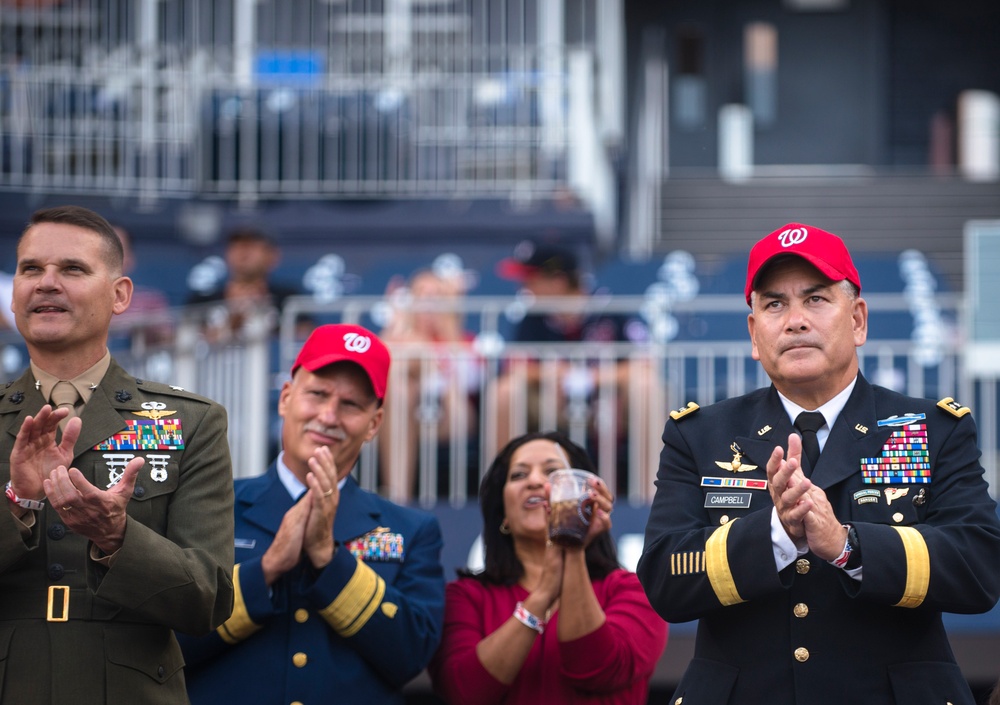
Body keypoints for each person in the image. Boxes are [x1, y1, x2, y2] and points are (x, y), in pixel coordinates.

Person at [637, 222, 1000, 704]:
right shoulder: (698, 435)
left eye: (816, 299)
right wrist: (774, 536)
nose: (795, 321)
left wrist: (848, 546)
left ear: (858, 320)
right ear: (753, 333)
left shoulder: (933, 429)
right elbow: (665, 578)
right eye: (773, 304)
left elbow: (978, 569)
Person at [0, 205, 235, 704]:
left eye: (72, 269)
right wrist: (18, 502)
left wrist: (117, 536)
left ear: (120, 295)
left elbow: (208, 600)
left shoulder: (191, 422)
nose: (46, 283)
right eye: (30, 269)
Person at [178, 323, 446, 705]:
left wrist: (329, 559)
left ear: (374, 424)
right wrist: (266, 568)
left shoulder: (412, 530)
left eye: (351, 404)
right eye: (317, 394)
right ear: (286, 398)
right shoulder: (209, 503)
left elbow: (411, 657)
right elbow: (165, 641)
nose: (329, 415)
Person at [429, 430, 667, 705]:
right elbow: (464, 692)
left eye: (553, 472)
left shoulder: (632, 590)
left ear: (588, 496)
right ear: (503, 512)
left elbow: (595, 670)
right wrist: (542, 595)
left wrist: (573, 546)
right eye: (518, 475)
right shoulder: (465, 597)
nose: (534, 481)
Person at [491, 240, 650, 493]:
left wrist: (591, 378)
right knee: (505, 391)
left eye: (531, 280)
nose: (524, 289)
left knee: (646, 387)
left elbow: (645, 363)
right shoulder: (532, 318)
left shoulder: (610, 310)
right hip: (552, 404)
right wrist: (553, 373)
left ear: (558, 280)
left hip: (610, 406)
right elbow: (514, 366)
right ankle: (504, 494)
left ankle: (650, 498)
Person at [378, 268, 480, 501]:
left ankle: (396, 496)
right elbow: (375, 371)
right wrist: (395, 328)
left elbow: (472, 381)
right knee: (401, 388)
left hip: (450, 415)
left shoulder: (463, 338)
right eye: (422, 294)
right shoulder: (396, 337)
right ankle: (397, 497)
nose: (429, 303)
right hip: (403, 416)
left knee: (410, 359)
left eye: (437, 296)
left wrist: (449, 334)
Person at [186, 225, 302, 342]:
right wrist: (233, 320)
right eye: (237, 246)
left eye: (251, 246)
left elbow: (305, 336)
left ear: (273, 256)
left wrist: (267, 319)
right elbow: (185, 342)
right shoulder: (203, 299)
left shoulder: (288, 298)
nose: (243, 253)